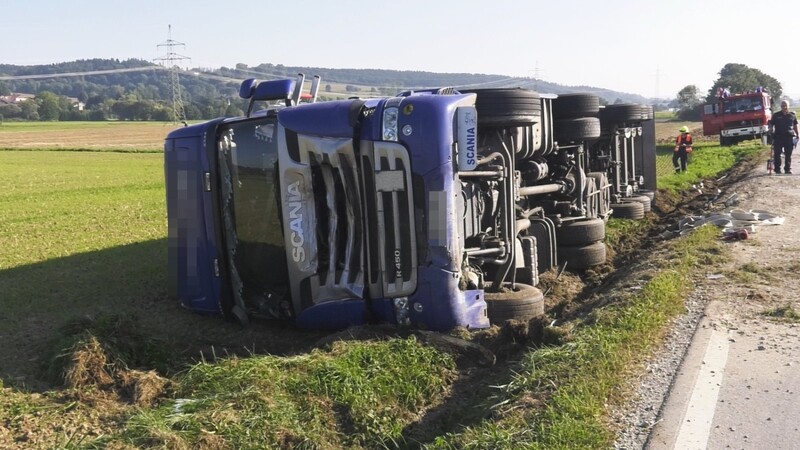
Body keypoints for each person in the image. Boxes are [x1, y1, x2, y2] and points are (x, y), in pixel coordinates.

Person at [768, 100, 799, 174]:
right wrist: (770, 128)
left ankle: (787, 169)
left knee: (788, 154)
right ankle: (777, 169)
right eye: (782, 106)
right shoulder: (776, 115)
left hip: (789, 137)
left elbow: (795, 125)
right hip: (778, 137)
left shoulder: (792, 115)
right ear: (780, 106)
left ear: (788, 106)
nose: (784, 107)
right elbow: (771, 123)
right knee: (777, 154)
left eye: (785, 105)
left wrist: (797, 134)